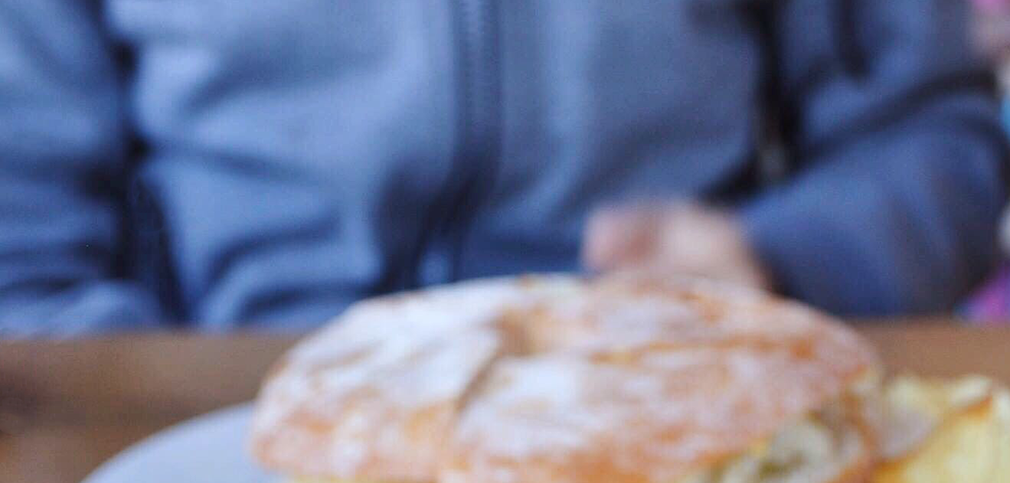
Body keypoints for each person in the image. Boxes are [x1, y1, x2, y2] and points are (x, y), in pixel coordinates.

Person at [0, 0, 1005, 332]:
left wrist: (780, 259)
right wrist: (149, 398)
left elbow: (932, 137)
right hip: (227, 433)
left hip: (651, 401)